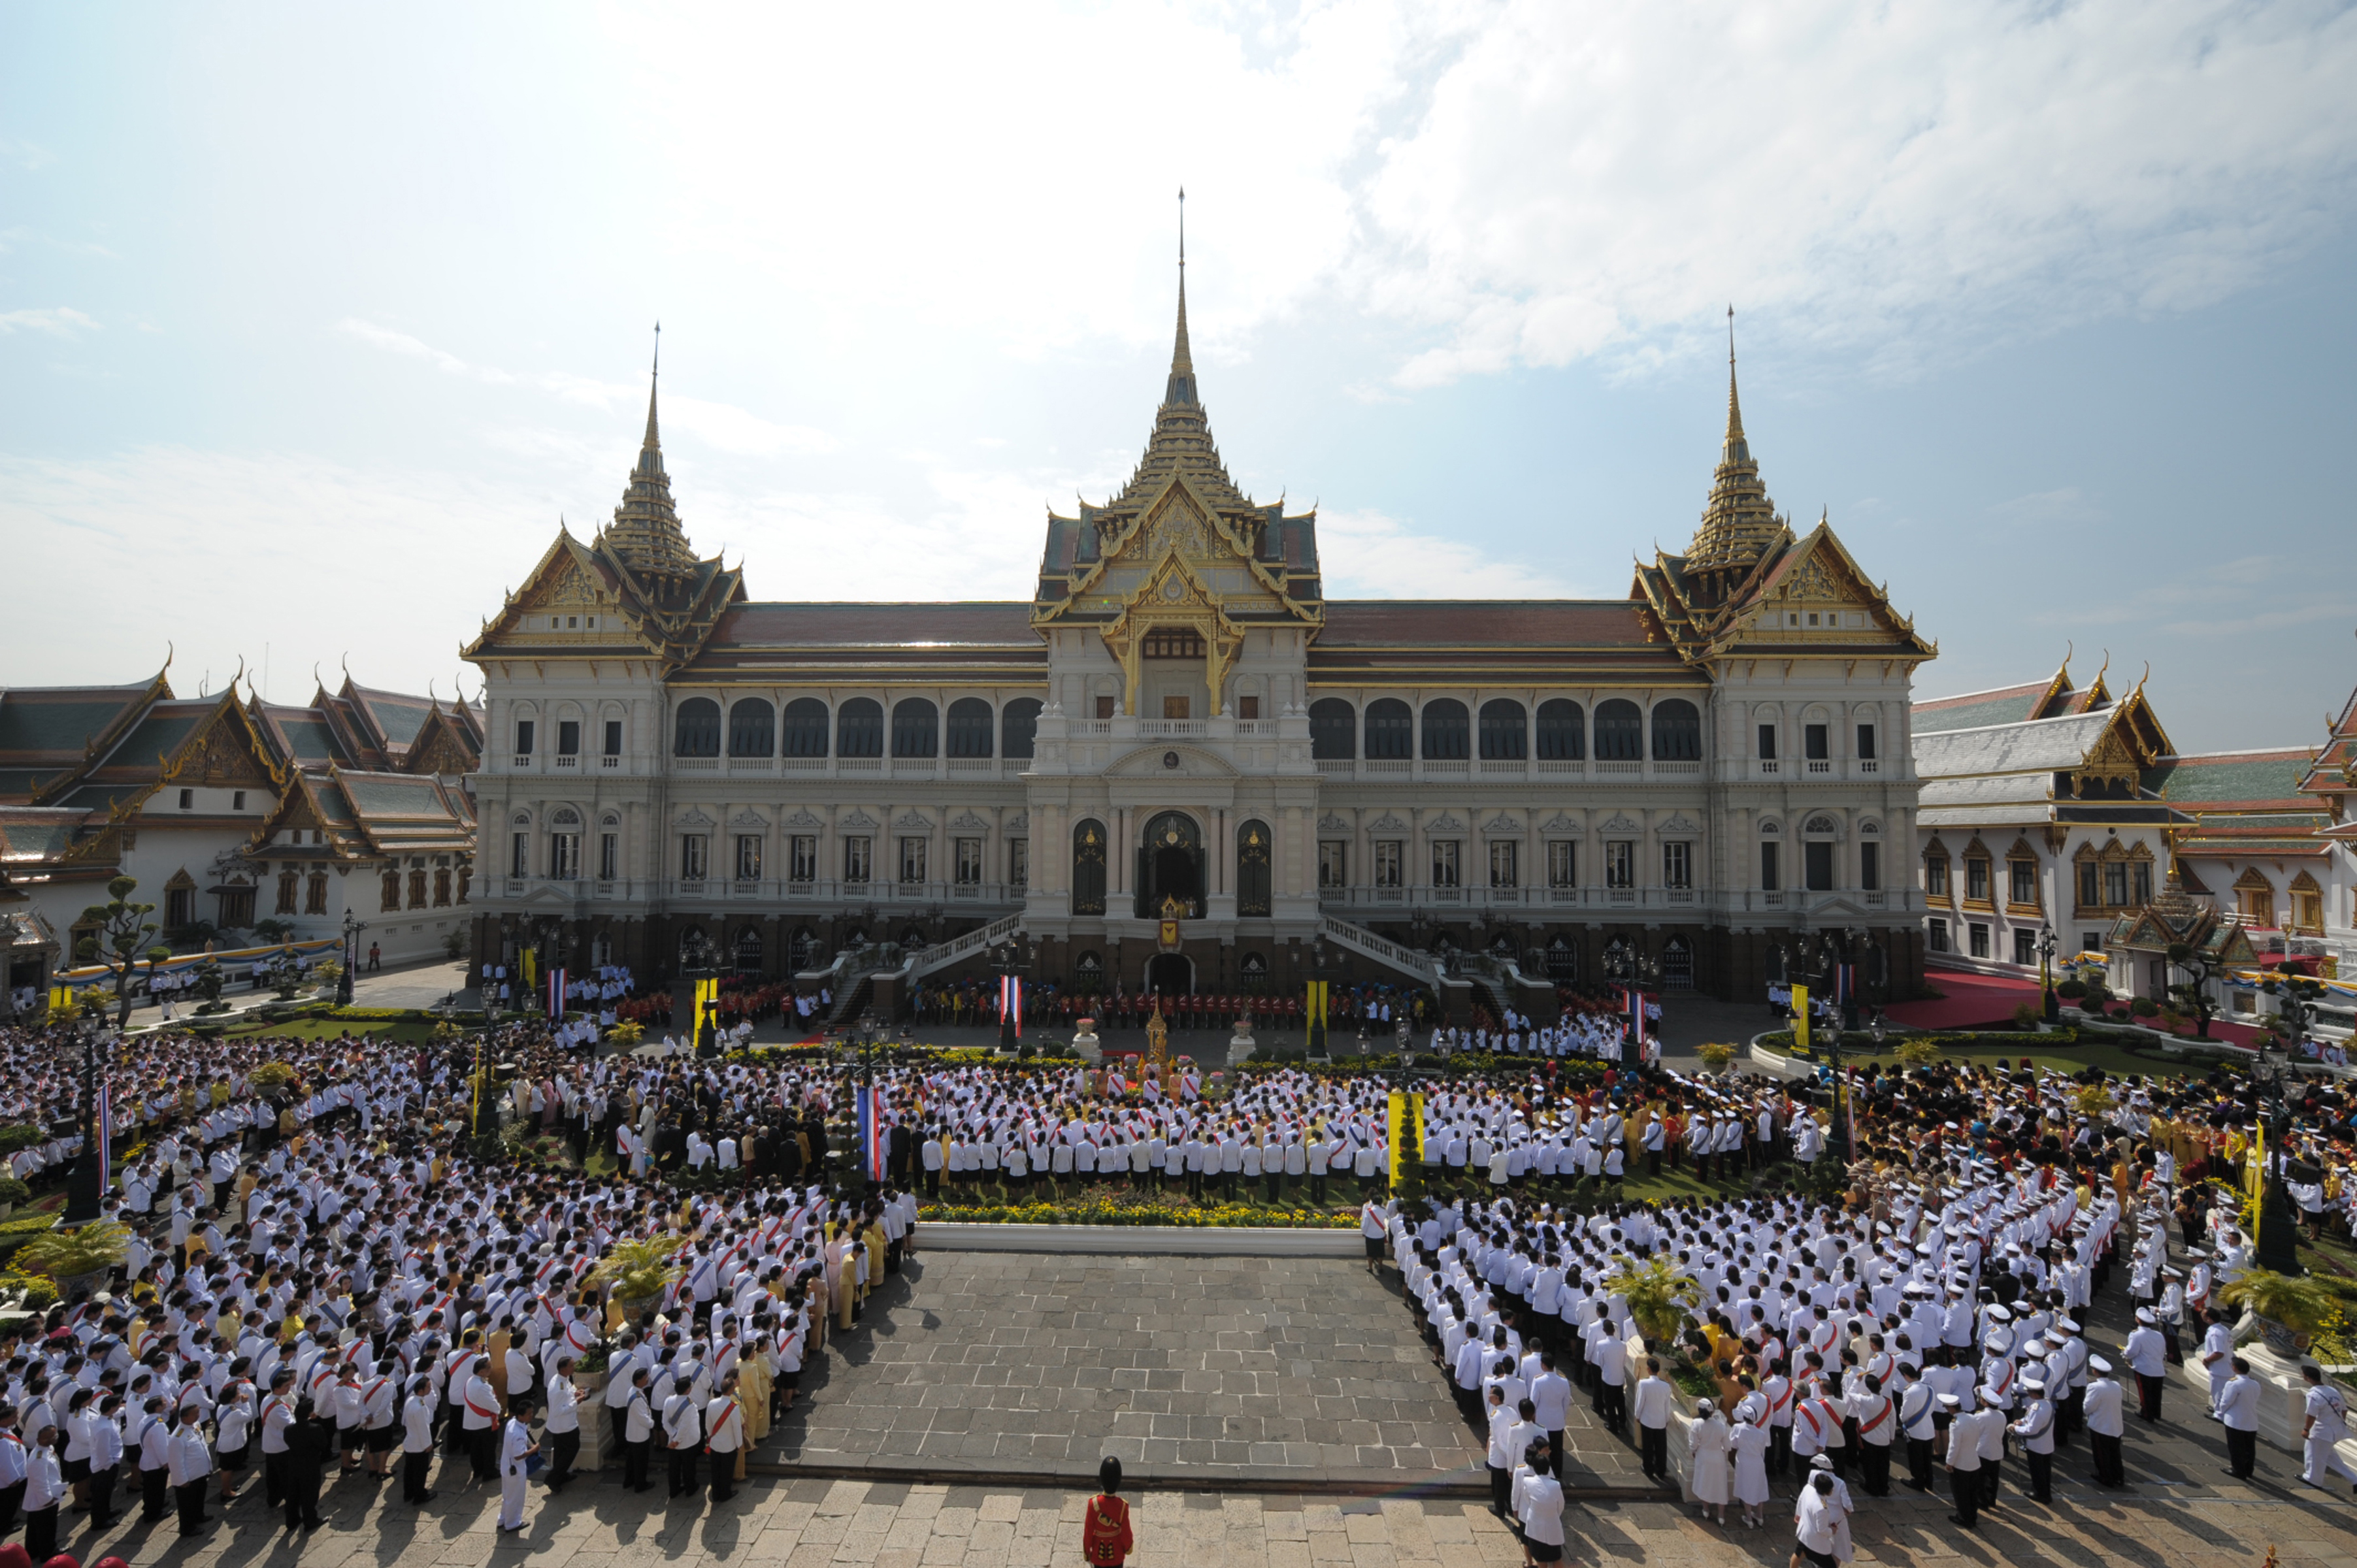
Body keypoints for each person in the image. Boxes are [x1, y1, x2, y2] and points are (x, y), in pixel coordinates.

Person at [2299, 1364, 2357, 1493]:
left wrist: (2306, 1429)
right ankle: (2355, 1480)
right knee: (2331, 1457)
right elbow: (2344, 1410)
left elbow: (2311, 1415)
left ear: (2308, 1378)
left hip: (2322, 1432)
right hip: (2336, 1431)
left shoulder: (2313, 1394)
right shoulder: (2332, 1391)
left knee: (2313, 1455)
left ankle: (2313, 1479)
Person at [1511, 1439, 1565, 1566]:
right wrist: (1552, 1514)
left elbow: (1524, 1497)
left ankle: (1529, 1563)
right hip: (1551, 1523)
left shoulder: (1528, 1481)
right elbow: (1561, 1506)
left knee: (1539, 1557)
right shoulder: (1555, 1485)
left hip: (1534, 1523)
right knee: (1556, 1557)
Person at [167, 1403, 214, 1538]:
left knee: (199, 1498)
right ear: (184, 1417)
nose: (198, 1416)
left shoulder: (196, 1425)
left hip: (201, 1472)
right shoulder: (177, 1437)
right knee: (187, 1505)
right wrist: (182, 1480)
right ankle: (187, 1528)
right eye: (195, 1414)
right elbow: (176, 1462)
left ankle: (199, 1516)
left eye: (198, 1412)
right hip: (189, 1477)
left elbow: (202, 1446)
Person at [20, 1422, 61, 1562]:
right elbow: (40, 1482)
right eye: (47, 1438)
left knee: (35, 1527)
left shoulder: (47, 1449)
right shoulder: (39, 1459)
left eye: (54, 1436)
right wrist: (47, 1499)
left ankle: (33, 1551)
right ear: (38, 1440)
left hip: (44, 1495)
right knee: (47, 1527)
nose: (52, 1439)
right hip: (43, 1499)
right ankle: (48, 1552)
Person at [2084, 1356, 2126, 1488]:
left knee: (2101, 1454)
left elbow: (2088, 1408)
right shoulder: (2116, 1385)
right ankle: (2118, 1476)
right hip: (2116, 1425)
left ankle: (2105, 1477)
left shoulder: (2094, 1387)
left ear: (2095, 1371)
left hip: (2101, 1426)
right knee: (2115, 1453)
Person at [1083, 1456, 1134, 1567]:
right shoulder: (1122, 1506)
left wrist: (1087, 1551)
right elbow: (1126, 1532)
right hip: (1116, 1554)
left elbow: (1088, 1532)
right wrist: (1128, 1547)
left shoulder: (1093, 1503)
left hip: (1098, 1553)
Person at [497, 1397, 537, 1534]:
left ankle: (503, 1519)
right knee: (515, 1498)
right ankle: (512, 1523)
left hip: (506, 1467)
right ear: (520, 1415)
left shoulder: (512, 1423)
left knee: (507, 1496)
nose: (531, 1416)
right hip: (515, 1470)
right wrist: (534, 1450)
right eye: (529, 1414)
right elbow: (519, 1455)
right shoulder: (518, 1434)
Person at [1690, 1399, 1732, 1526]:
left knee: (1705, 1482)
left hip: (1703, 1456)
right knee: (1720, 1485)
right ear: (1712, 1412)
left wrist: (1694, 1451)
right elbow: (1728, 1446)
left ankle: (1706, 1510)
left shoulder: (1696, 1424)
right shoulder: (1721, 1426)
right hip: (1718, 1457)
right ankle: (1721, 1515)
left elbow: (1693, 1444)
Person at [1632, 1358, 1673, 1483]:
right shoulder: (1666, 1386)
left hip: (1647, 1420)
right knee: (1661, 1448)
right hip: (1660, 1421)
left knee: (1648, 1446)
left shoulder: (1644, 1384)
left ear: (1649, 1370)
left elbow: (1640, 1402)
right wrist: (1666, 1419)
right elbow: (1667, 1406)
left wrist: (1637, 1415)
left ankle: (1648, 1469)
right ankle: (1661, 1470)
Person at [2219, 1357, 2261, 1480]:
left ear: (2235, 1368)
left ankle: (2238, 1470)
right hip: (2251, 1420)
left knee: (2236, 1447)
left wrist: (2221, 1411)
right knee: (2249, 1448)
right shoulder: (2255, 1384)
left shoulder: (2233, 1383)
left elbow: (2226, 1401)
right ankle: (2248, 1470)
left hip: (2235, 1420)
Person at [705, 1377, 744, 1506]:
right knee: (727, 1471)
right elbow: (737, 1429)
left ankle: (716, 1494)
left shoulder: (711, 1403)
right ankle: (725, 1494)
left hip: (715, 1443)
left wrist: (711, 1436)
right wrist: (739, 1444)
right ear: (732, 1390)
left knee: (715, 1470)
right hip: (729, 1445)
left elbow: (708, 1424)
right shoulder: (733, 1408)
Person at [401, 1377, 438, 1505]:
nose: (430, 1389)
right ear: (421, 1390)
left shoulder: (411, 1400)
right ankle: (419, 1495)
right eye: (428, 1387)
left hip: (410, 1442)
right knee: (420, 1472)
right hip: (419, 1445)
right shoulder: (420, 1407)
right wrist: (428, 1444)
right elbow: (424, 1428)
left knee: (409, 1470)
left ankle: (408, 1493)